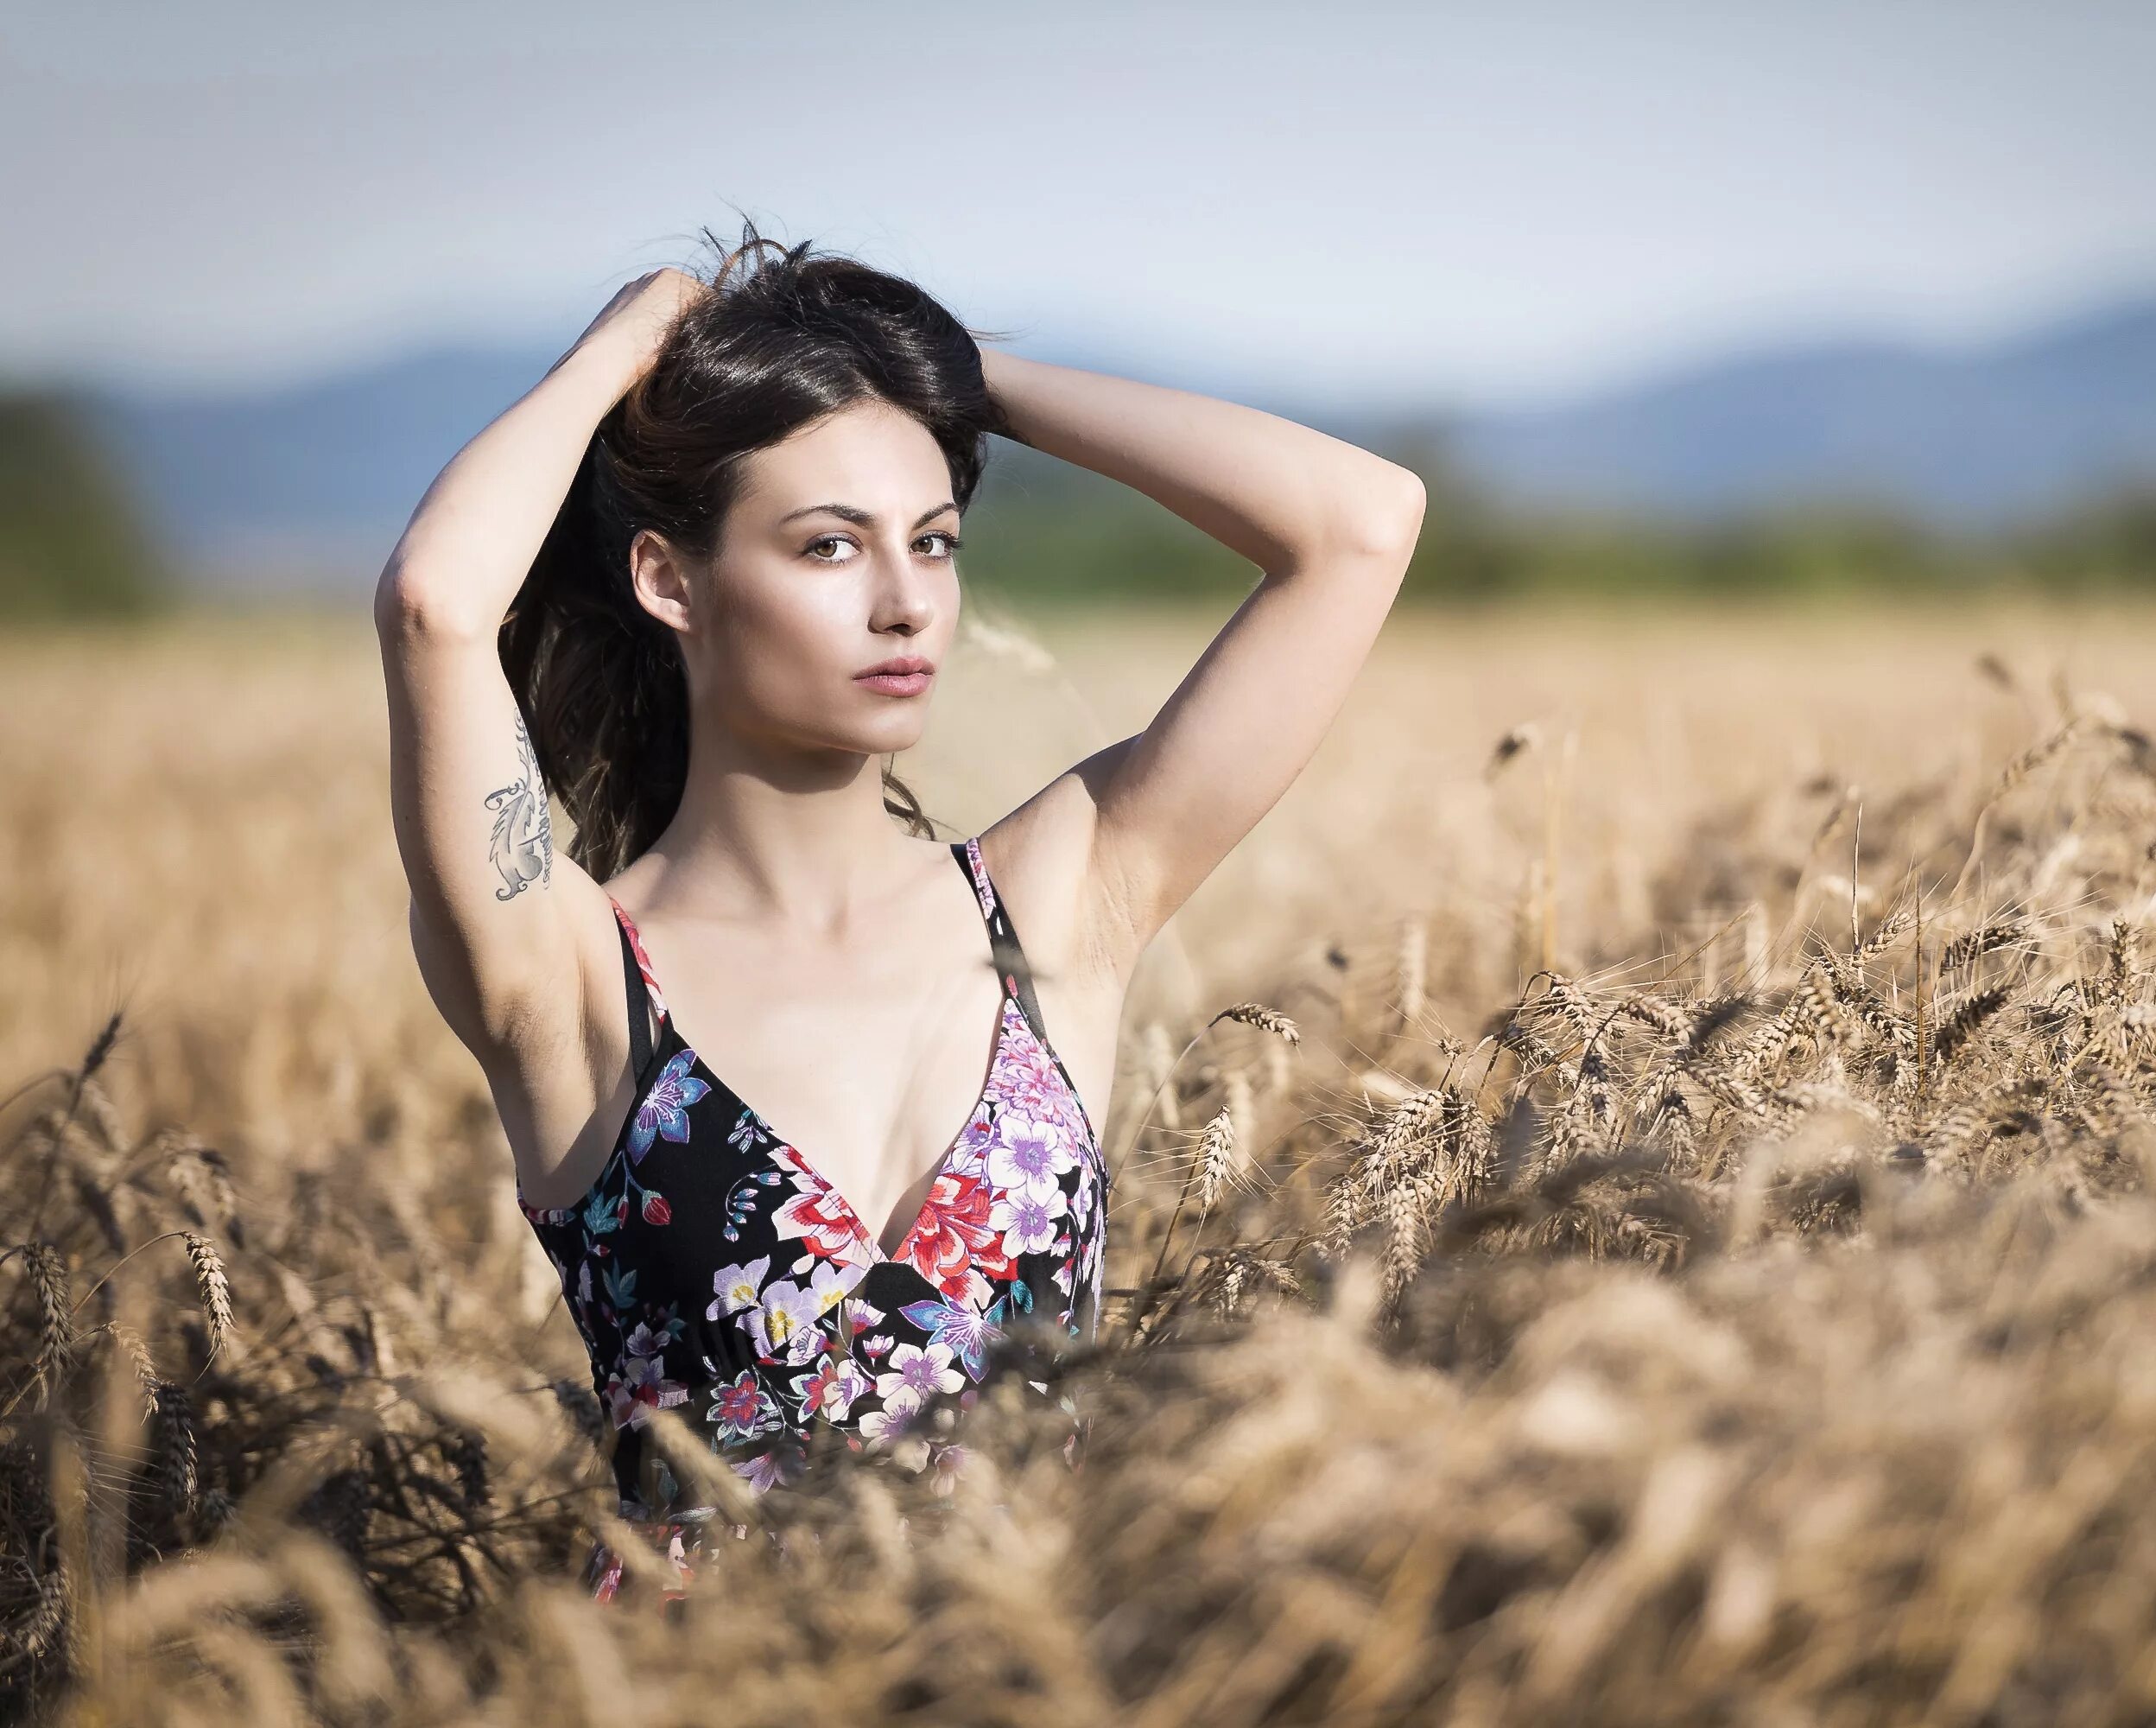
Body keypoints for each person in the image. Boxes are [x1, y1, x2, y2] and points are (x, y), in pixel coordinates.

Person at [371, 222, 1424, 1602]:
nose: (907, 603)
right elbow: (436, 603)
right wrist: (636, 340)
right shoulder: (566, 979)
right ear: (668, 579)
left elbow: (1358, 525)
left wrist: (934, 368)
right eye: (828, 547)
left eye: (933, 543)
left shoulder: (1060, 899)